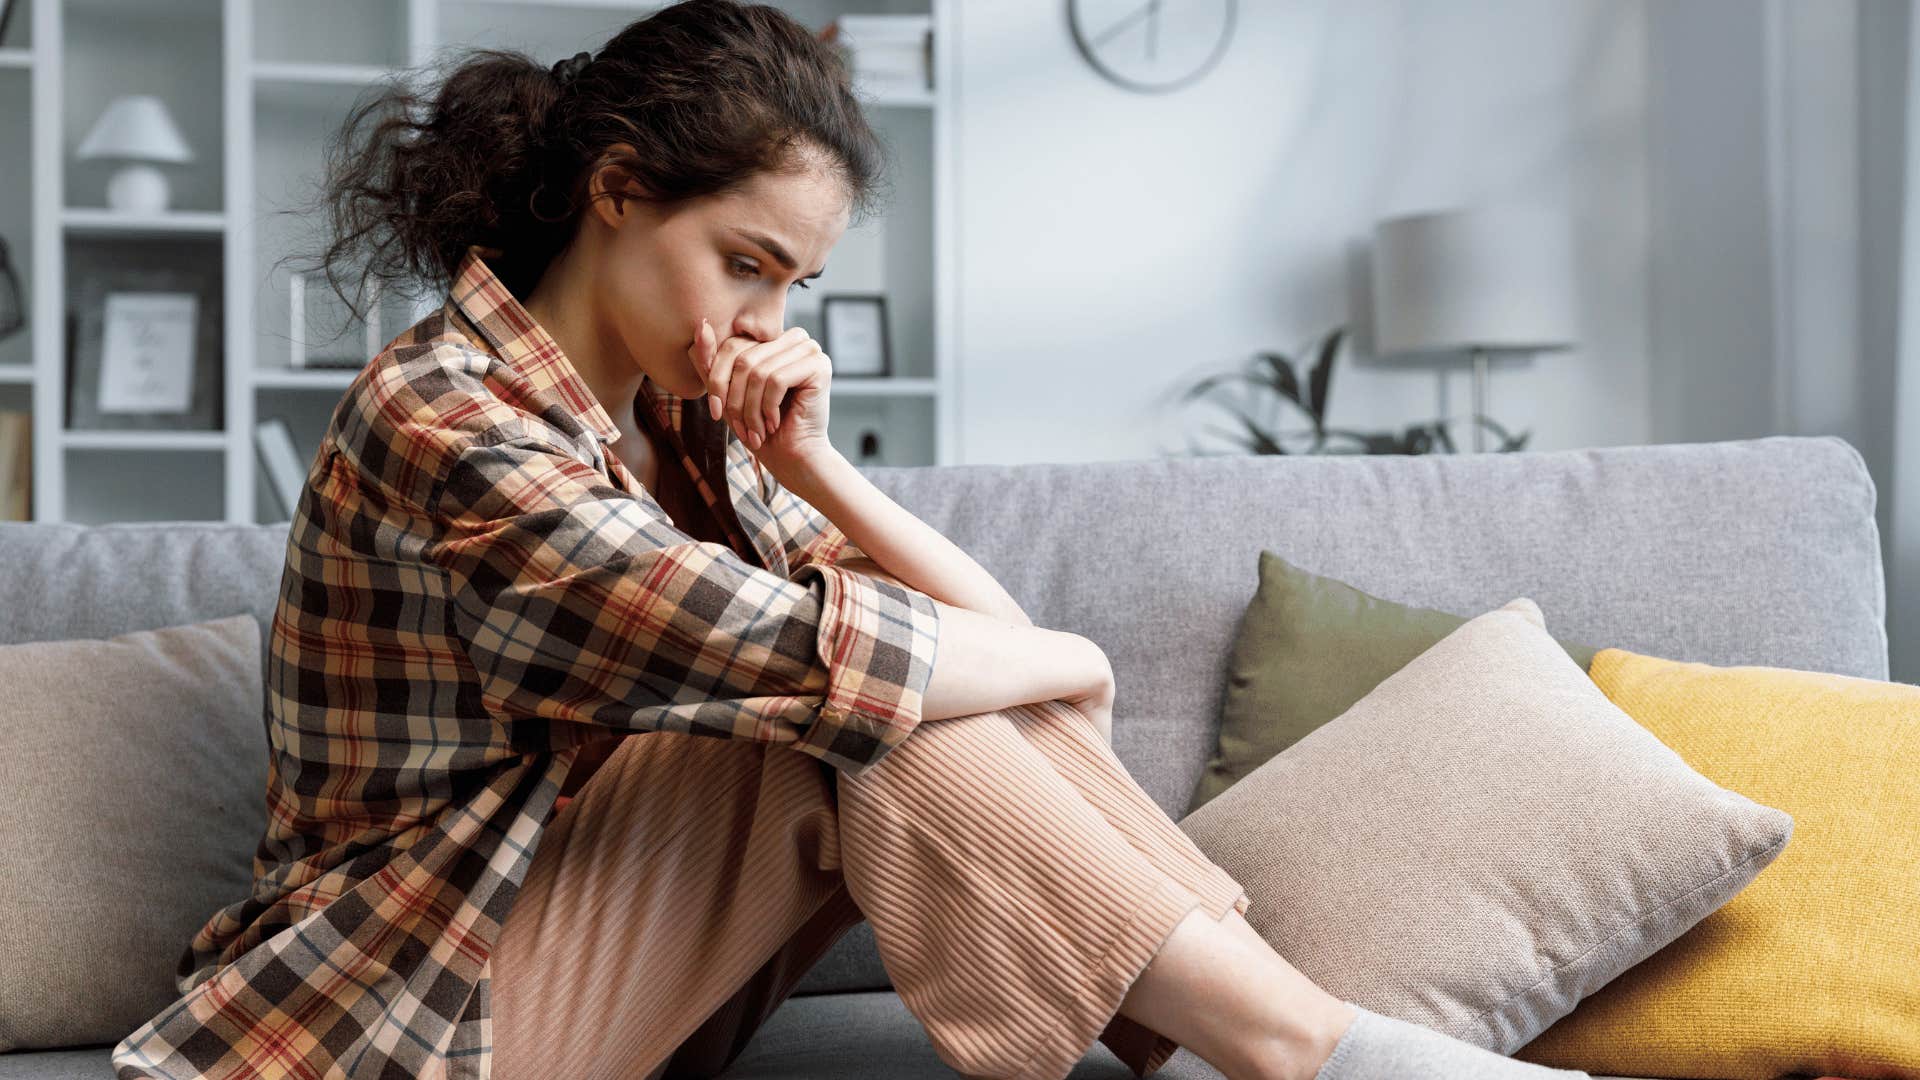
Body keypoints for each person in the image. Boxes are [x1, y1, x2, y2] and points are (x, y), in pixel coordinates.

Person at [110, 3, 1599, 1078]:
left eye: (795, 284)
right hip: (410, 1021)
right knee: (859, 708)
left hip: (587, 972)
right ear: (616, 190)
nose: (769, 325)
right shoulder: (451, 420)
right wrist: (1065, 651)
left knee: (887, 691)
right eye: (745, 266)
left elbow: (970, 661)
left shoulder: (687, 424)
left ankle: (1279, 1045)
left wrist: (815, 467)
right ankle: (1296, 1046)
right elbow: (847, 663)